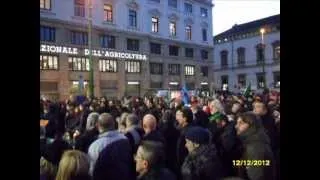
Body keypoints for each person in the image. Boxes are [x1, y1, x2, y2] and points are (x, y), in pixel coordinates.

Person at [89, 113, 135, 180]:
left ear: (98, 125)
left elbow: (92, 172)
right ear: (114, 124)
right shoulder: (125, 138)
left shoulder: (95, 146)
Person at [235, 112, 276, 180]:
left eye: (241, 123)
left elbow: (257, 176)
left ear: (252, 125)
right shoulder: (253, 140)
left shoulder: (255, 148)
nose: (236, 126)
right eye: (237, 123)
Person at [175, 107, 194, 179]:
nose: (177, 118)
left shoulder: (185, 133)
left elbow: (180, 152)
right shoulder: (184, 129)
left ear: (185, 119)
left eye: (180, 116)